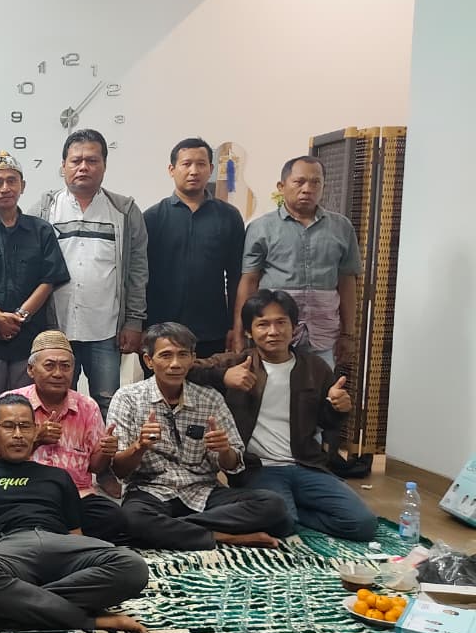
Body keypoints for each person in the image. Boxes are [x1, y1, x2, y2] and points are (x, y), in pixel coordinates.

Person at [0, 394, 148, 633]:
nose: (18, 435)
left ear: (35, 431)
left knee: (133, 566)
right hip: (7, 550)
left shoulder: (58, 476)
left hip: (59, 544)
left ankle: (4, 609)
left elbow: (75, 535)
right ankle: (90, 620)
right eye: (9, 426)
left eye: (25, 426)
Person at [188, 290, 377, 540]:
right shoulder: (237, 363)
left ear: (294, 327)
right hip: (259, 469)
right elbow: (184, 368)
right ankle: (290, 515)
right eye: (263, 324)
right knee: (282, 523)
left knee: (363, 524)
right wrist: (222, 376)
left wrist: (338, 407)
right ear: (249, 331)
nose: (273, 331)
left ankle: (296, 513)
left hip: (307, 465)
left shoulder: (315, 368)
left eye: (281, 322)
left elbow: (327, 422)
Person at [108, 323, 291, 551]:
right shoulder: (127, 398)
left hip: (203, 491)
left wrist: (224, 451)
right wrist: (140, 446)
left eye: (183, 355)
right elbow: (118, 469)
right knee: (131, 518)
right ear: (149, 361)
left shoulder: (210, 399)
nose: (175, 364)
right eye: (166, 355)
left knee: (273, 506)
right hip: (150, 492)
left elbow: (234, 465)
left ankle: (169, 530)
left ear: (193, 359)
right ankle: (226, 536)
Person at [32, 129, 148, 425]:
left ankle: (105, 456)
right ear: (63, 166)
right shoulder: (44, 210)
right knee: (55, 402)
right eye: (76, 161)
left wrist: (134, 321)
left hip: (105, 329)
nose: (83, 167)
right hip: (57, 328)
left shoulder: (124, 211)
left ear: (104, 166)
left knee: (108, 403)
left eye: (92, 160)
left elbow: (137, 271)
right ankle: (58, 455)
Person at [0, 151, 70, 441]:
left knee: (26, 415)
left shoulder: (41, 230)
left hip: (28, 341)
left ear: (22, 186)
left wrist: (19, 317)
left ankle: (25, 468)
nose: (5, 188)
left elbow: (50, 278)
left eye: (11, 181)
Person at [0, 330, 126, 543]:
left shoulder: (87, 406)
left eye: (65, 366)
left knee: (115, 518)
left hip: (77, 495)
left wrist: (106, 452)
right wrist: (36, 440)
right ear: (31, 369)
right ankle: (68, 541)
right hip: (26, 491)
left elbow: (95, 467)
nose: (58, 373)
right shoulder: (11, 403)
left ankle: (51, 538)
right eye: (49, 366)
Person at [237, 156, 362, 368]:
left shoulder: (342, 227)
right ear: (281, 186)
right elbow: (249, 281)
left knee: (319, 386)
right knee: (272, 385)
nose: (307, 189)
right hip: (272, 334)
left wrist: (348, 333)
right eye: (299, 182)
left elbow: (347, 282)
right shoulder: (261, 228)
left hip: (323, 335)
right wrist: (240, 333)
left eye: (315, 182)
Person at [144, 138, 246, 357]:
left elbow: (236, 276)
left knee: (212, 380)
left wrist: (235, 326)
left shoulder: (229, 217)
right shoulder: (152, 218)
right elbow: (139, 276)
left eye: (201, 164)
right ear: (171, 169)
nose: (194, 171)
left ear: (210, 169)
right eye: (186, 164)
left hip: (212, 330)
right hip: (160, 330)